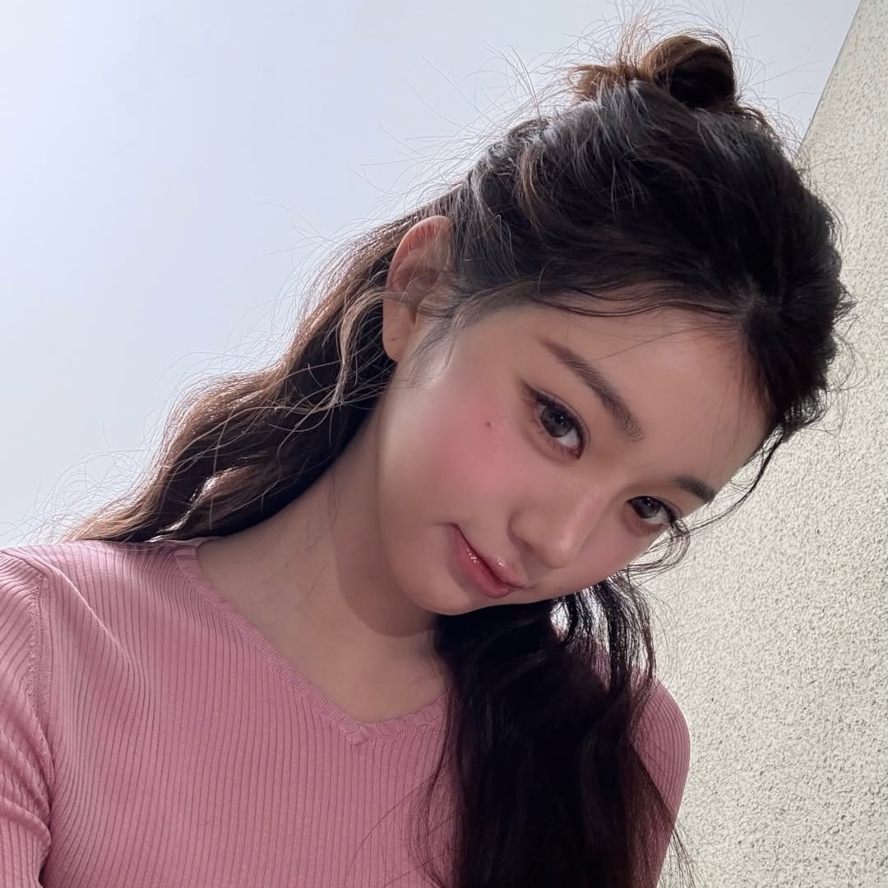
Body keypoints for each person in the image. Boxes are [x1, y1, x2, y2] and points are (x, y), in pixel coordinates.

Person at [0, 30, 850, 888]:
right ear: (420, 291)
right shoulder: (39, 648)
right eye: (559, 421)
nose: (558, 541)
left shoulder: (613, 751)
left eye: (649, 507)